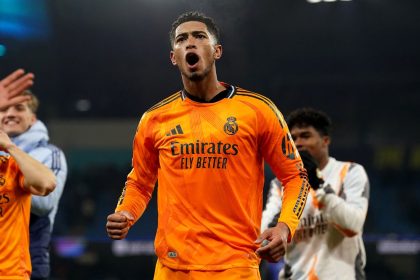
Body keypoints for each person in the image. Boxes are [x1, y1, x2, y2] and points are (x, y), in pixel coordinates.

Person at [106, 11, 310, 280]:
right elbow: (140, 183)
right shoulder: (154, 119)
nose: (190, 43)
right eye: (182, 39)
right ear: (173, 57)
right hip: (172, 268)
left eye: (200, 36)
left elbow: (296, 176)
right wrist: (125, 213)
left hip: (236, 266)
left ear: (217, 51)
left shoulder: (258, 110)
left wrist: (285, 227)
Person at [261, 108, 370, 280]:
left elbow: (353, 225)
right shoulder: (280, 184)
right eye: (293, 138)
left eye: (305, 136)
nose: (298, 143)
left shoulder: (350, 172)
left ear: (325, 140)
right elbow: (264, 233)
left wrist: (318, 184)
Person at [0, 89, 68, 280]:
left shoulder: (50, 154)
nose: (10, 113)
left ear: (32, 118)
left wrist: (11, 157)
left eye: (19, 108)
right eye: (4, 109)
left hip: (27, 258)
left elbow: (45, 202)